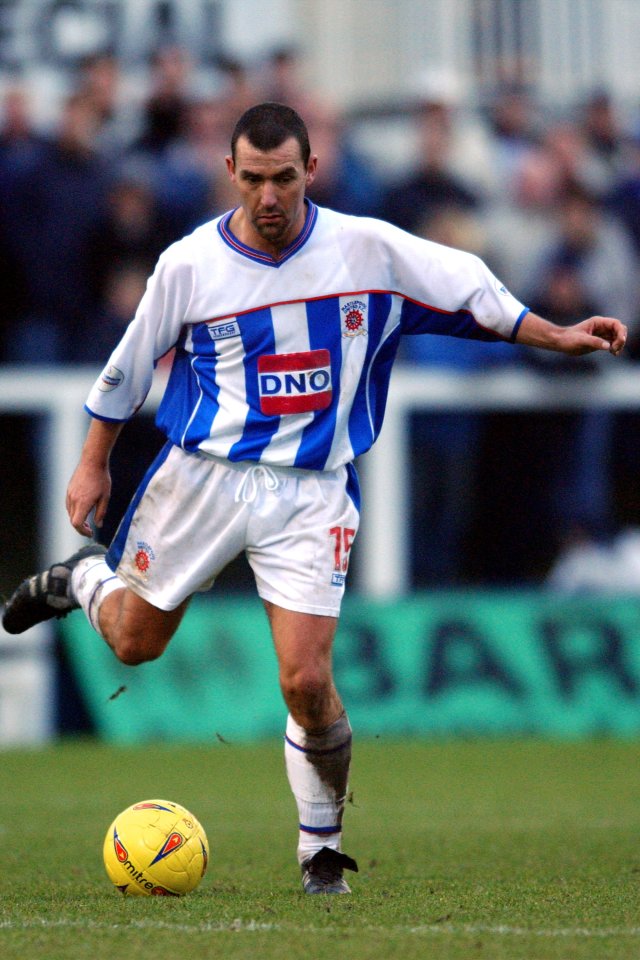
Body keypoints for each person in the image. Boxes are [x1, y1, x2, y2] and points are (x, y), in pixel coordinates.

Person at [2, 102, 627, 894]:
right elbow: (126, 369)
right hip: (203, 476)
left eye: (285, 178)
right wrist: (92, 463)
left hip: (312, 492)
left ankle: (321, 850)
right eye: (254, 178)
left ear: (311, 173)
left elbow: (473, 291)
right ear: (231, 173)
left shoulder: (366, 248)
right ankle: (81, 579)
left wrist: (558, 332)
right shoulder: (190, 265)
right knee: (133, 642)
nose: (269, 195)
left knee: (305, 680)